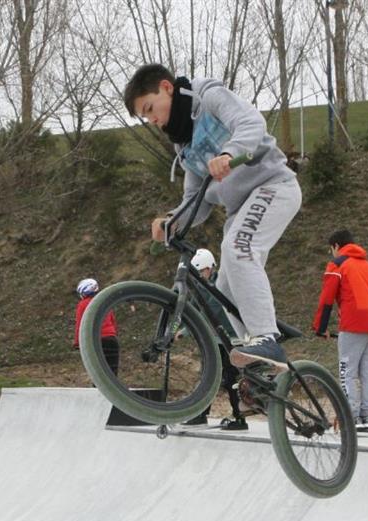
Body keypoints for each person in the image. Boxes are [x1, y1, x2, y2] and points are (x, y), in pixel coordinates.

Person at [124, 63, 301, 370]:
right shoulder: (184, 144)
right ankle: (260, 367)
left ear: (167, 87)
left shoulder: (208, 96)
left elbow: (250, 122)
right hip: (240, 209)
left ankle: (266, 338)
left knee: (239, 249)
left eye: (151, 108)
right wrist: (172, 221)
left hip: (273, 186)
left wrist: (229, 154)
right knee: (226, 289)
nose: (152, 120)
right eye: (146, 116)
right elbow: (196, 200)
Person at [312, 229, 368, 433]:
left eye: (332, 250)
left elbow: (326, 299)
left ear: (336, 246)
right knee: (367, 371)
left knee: (347, 371)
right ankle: (365, 416)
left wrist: (320, 328)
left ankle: (352, 417)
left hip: (352, 323)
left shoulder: (337, 265)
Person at [187, 248, 248, 430]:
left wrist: (187, 330)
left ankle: (240, 418)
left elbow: (211, 310)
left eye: (201, 272)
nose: (199, 276)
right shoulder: (201, 286)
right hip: (216, 341)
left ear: (209, 268)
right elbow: (192, 309)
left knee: (231, 378)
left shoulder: (219, 285)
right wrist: (178, 327)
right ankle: (200, 414)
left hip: (231, 341)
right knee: (209, 376)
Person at [73, 278, 119, 374]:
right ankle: (113, 388)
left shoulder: (82, 304)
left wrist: (78, 342)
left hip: (96, 340)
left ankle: (97, 388)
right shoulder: (104, 301)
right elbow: (113, 320)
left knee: (98, 371)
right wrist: (113, 335)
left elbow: (80, 325)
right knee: (112, 369)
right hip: (111, 339)